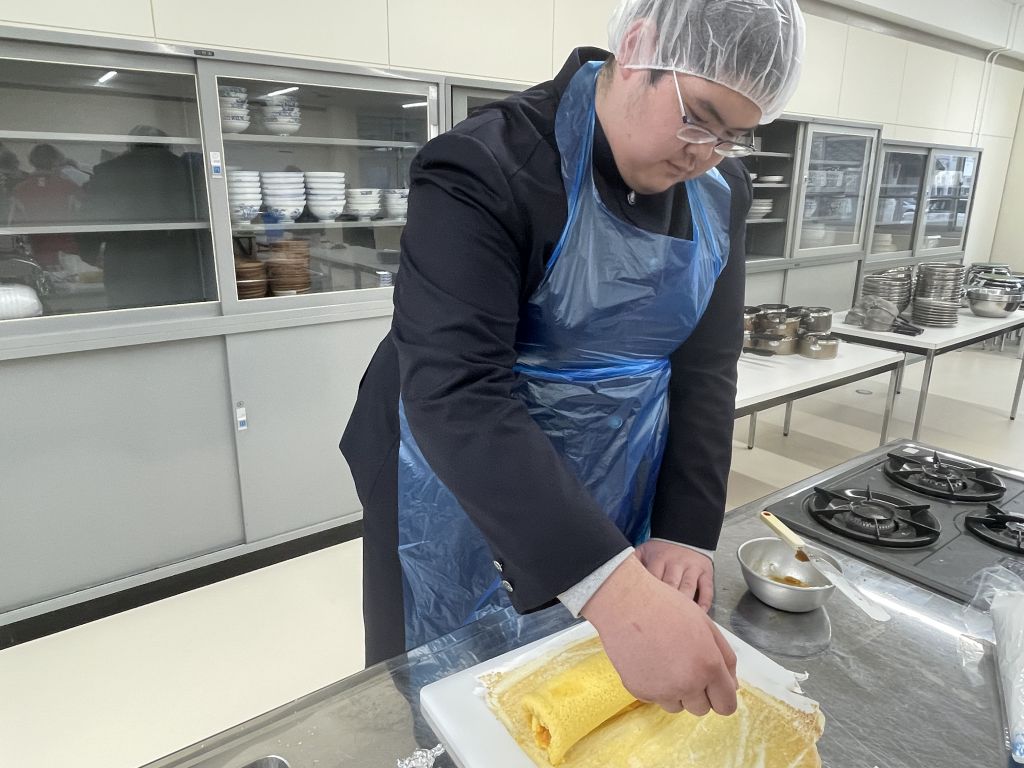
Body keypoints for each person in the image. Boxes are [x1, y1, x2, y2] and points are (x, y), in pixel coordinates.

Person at [341, 0, 804, 717]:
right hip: (457, 469)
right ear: (639, 49)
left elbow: (706, 367)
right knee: (451, 686)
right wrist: (613, 589)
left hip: (618, 456)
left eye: (732, 138)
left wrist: (683, 530)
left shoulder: (721, 193)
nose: (704, 154)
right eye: (698, 119)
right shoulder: (486, 164)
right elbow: (459, 389)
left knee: (577, 678)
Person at [78, 125, 210, 309]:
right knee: (184, 314)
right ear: (167, 145)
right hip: (183, 264)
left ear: (130, 145)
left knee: (132, 317)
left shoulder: (109, 171)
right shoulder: (189, 170)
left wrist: (89, 253)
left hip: (127, 265)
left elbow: (90, 218)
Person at [11, 143, 81, 268]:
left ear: (32, 161)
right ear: (56, 161)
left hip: (36, 248)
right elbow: (82, 216)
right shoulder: (69, 186)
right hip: (67, 247)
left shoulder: (19, 189)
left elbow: (14, 224)